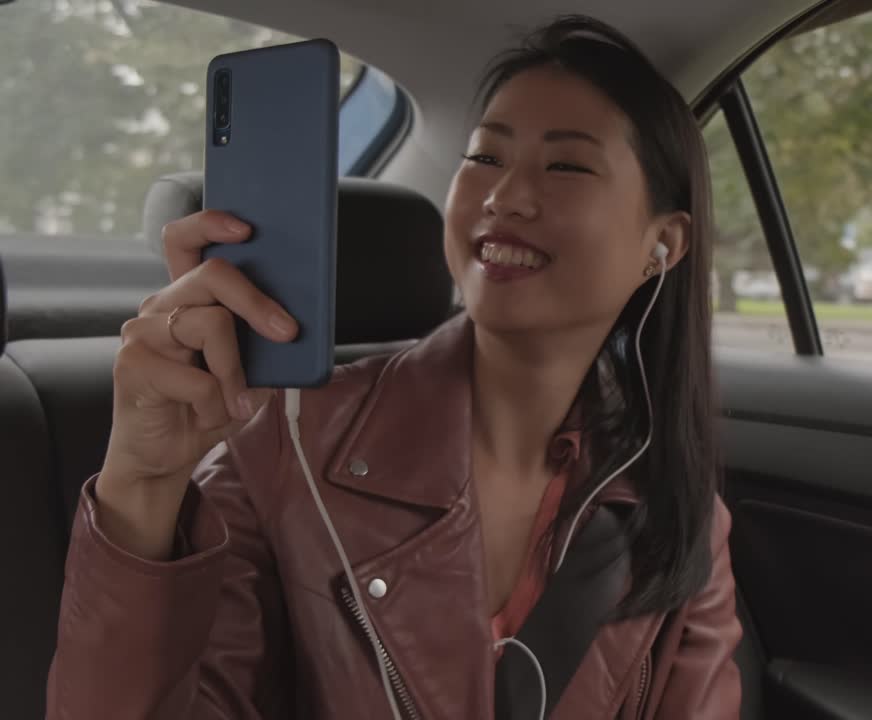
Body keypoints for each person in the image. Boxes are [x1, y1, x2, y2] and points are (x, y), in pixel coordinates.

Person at [44, 15, 742, 720]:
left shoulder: (676, 511)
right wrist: (141, 483)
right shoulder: (286, 444)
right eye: (484, 159)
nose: (504, 197)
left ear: (664, 243)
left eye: (565, 166)